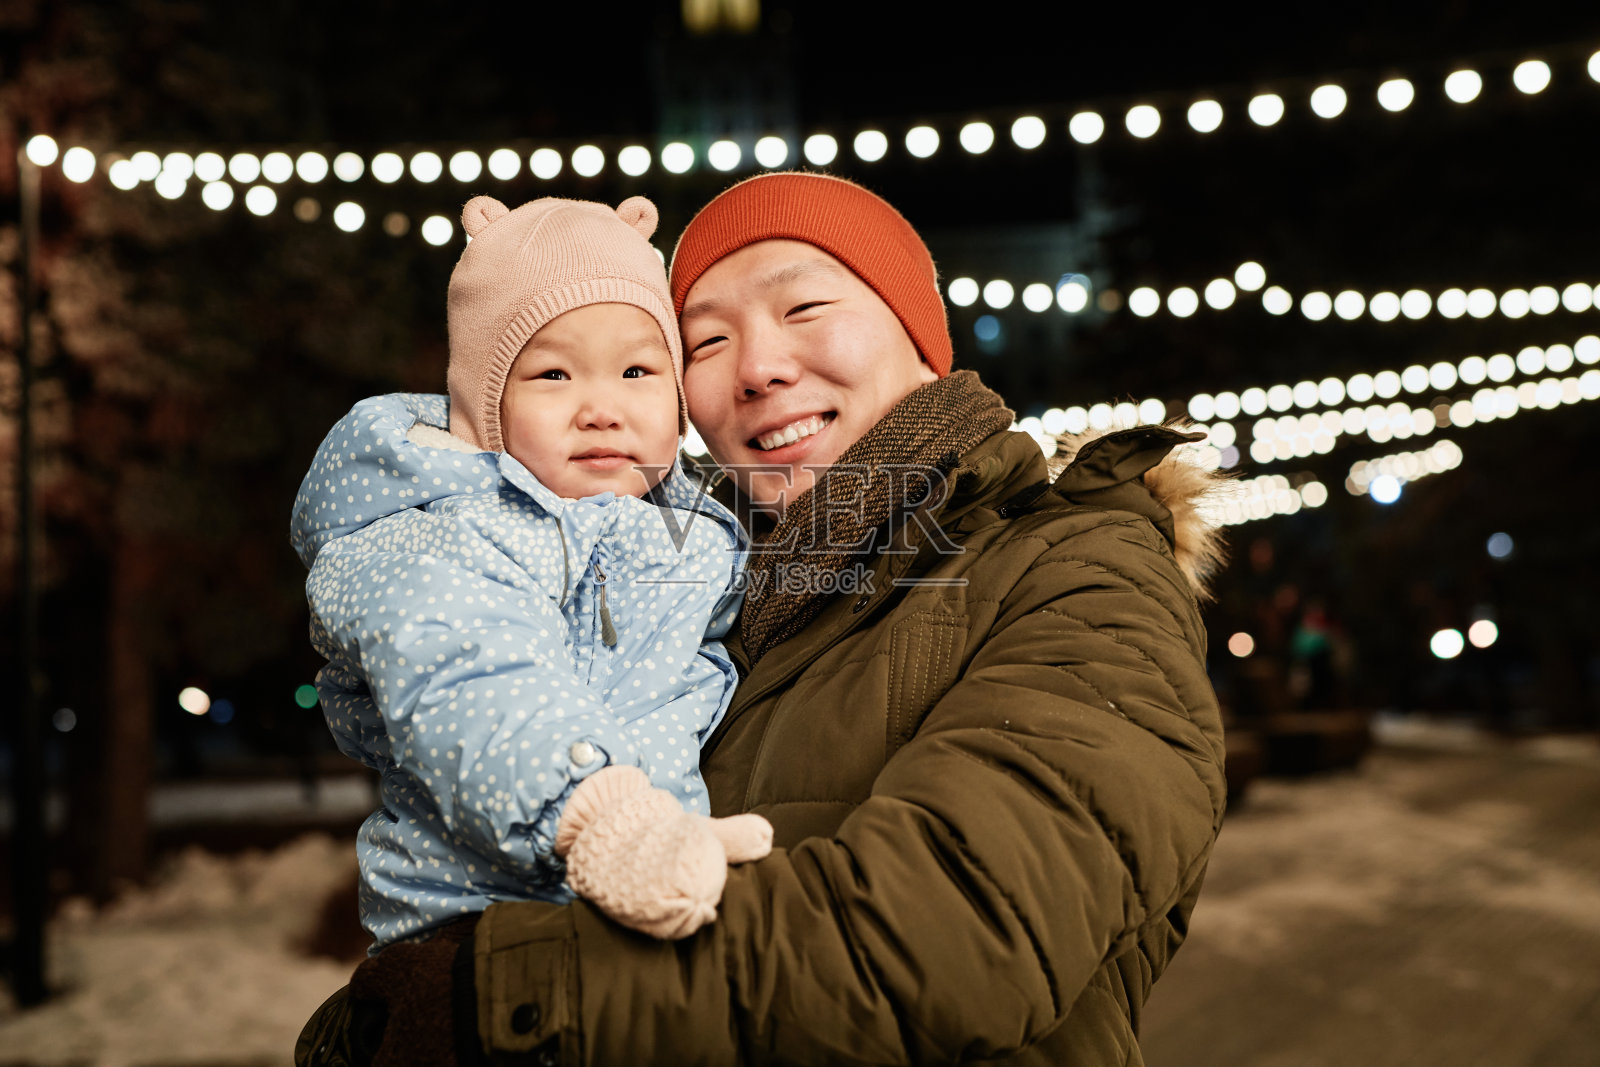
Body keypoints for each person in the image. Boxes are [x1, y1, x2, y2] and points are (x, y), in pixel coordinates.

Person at [297, 172, 1229, 1066]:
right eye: (702, 342)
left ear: (918, 337)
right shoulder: (698, 585)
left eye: (804, 308)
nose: (759, 368)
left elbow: (964, 926)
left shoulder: (1081, 572)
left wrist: (497, 1000)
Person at [290, 194, 772, 954]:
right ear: (487, 409)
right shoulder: (443, 534)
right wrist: (600, 818)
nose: (601, 407)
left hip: (640, 905)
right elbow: (471, 676)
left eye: (638, 369)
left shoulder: (703, 535)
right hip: (476, 920)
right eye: (553, 374)